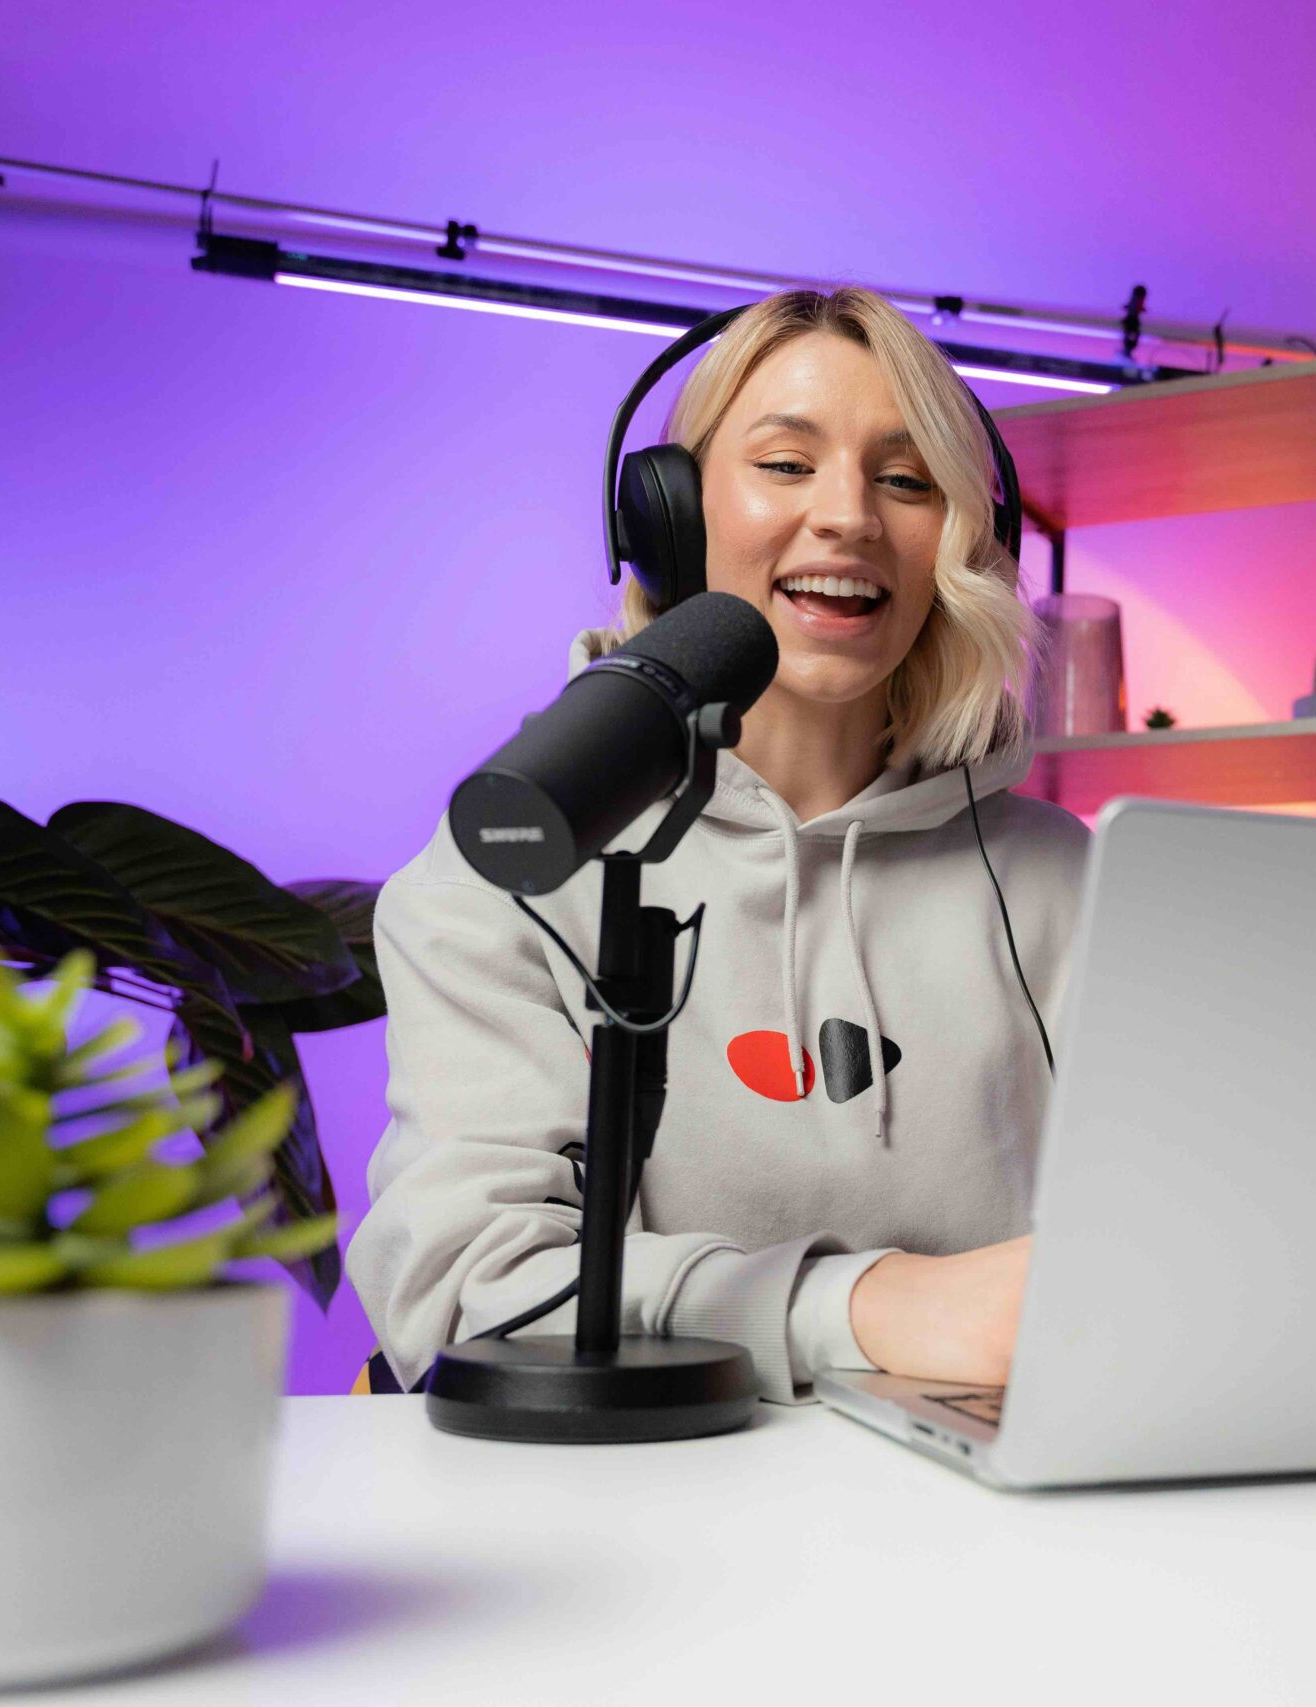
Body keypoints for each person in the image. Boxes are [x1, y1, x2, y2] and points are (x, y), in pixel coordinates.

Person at [350, 287, 1090, 1404]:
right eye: (786, 465)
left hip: (1013, 1515)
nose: (848, 516)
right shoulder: (505, 869)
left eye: (905, 479)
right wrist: (869, 1306)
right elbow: (464, 1293)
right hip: (652, 1518)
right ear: (671, 518)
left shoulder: (1071, 881)